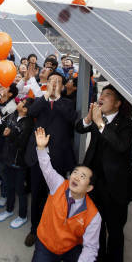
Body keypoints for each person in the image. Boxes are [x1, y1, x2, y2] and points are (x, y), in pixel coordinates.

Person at [75, 84, 132, 262]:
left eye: (107, 95)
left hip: (116, 187)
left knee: (114, 231)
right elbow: (79, 128)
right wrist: (90, 119)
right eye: (101, 94)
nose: (101, 97)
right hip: (95, 184)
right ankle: (99, 258)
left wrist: (100, 123)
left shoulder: (129, 125)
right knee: (96, 224)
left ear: (118, 103)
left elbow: (121, 146)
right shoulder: (98, 120)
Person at [29, 127, 100, 262]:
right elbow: (46, 167)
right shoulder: (59, 184)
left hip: (70, 248)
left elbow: (91, 248)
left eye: (82, 176)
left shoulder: (93, 215)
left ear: (89, 188)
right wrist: (41, 148)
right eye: (75, 172)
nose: (75, 177)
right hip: (45, 245)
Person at [24, 71, 77, 247]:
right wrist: (47, 97)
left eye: (58, 81)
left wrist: (57, 99)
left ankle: (53, 229)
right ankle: (34, 229)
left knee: (55, 197)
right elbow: (31, 112)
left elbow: (71, 119)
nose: (54, 83)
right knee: (37, 195)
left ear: (62, 86)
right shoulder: (41, 100)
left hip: (58, 159)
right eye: (52, 80)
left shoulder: (68, 103)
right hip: (38, 155)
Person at [0, 98, 34, 229]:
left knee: (20, 190)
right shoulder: (13, 115)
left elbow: (21, 144)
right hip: (8, 158)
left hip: (19, 162)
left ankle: (22, 216)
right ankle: (9, 210)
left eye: (22, 102)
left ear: (25, 109)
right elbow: (3, 127)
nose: (19, 102)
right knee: (9, 186)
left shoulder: (28, 123)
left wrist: (11, 134)